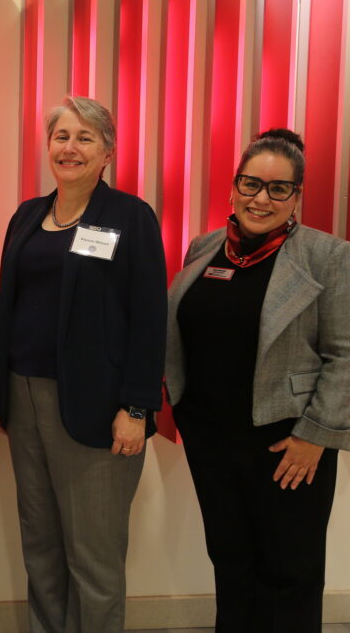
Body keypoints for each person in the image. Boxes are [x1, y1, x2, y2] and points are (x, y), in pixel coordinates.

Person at [0, 96, 167, 632]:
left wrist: (136, 406)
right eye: (62, 136)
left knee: (93, 556)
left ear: (108, 151)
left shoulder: (130, 217)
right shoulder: (27, 215)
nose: (70, 148)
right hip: (24, 398)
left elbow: (149, 317)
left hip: (96, 407)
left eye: (85, 137)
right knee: (40, 544)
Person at [165, 128, 350, 632]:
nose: (260, 198)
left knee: (289, 572)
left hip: (288, 447)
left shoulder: (328, 256)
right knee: (231, 562)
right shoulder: (205, 248)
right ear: (233, 187)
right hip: (212, 442)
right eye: (250, 184)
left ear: (297, 197)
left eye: (278, 189)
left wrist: (316, 437)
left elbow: (345, 355)